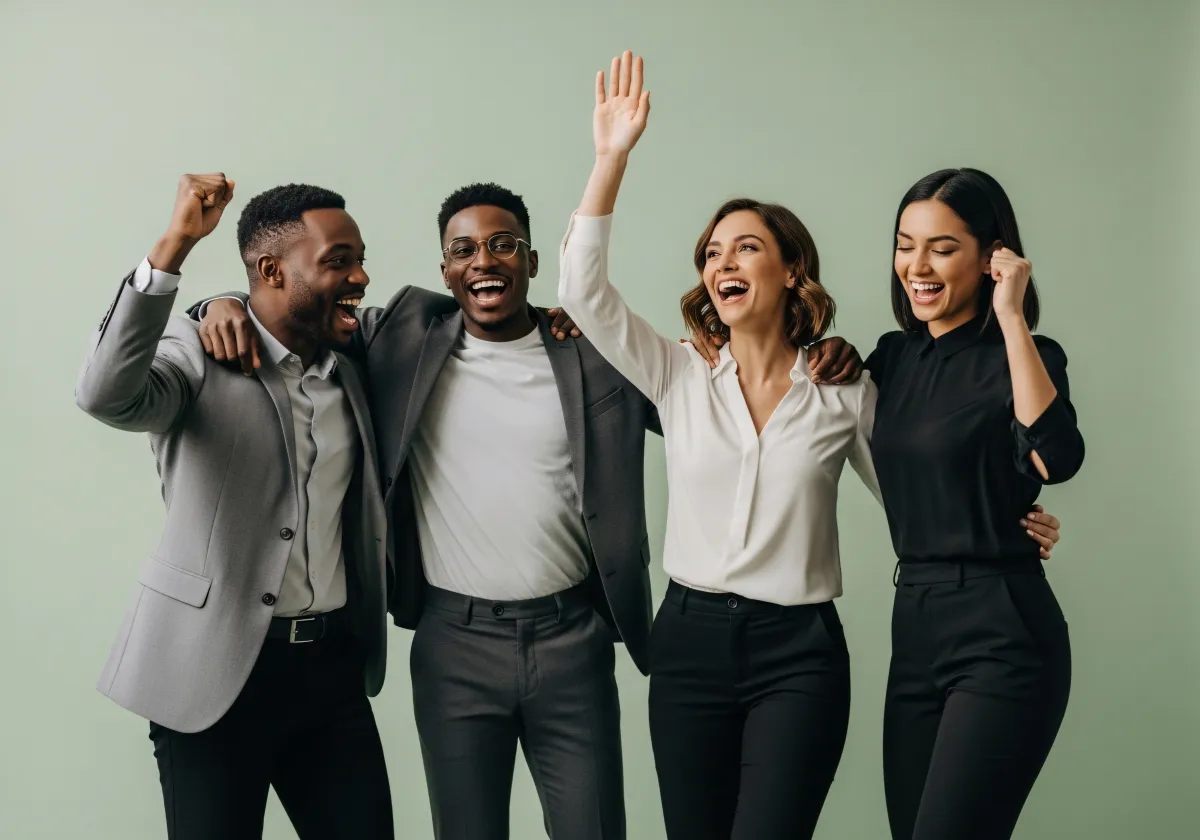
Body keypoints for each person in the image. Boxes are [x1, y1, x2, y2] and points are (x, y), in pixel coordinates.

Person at [190, 182, 858, 838]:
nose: (484, 260)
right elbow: (291, 311)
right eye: (464, 250)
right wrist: (216, 303)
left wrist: (821, 356)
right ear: (446, 270)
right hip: (454, 643)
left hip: (573, 637)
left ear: (534, 263)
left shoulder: (597, 355)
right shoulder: (400, 337)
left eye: (505, 244)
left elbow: (728, 404)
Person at [557, 52, 1064, 840]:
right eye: (713, 253)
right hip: (686, 643)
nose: (724, 262)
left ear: (792, 270)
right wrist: (609, 159)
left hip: (799, 655)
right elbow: (581, 292)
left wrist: (1007, 523)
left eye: (747, 248)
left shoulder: (847, 389)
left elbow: (922, 486)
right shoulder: (677, 373)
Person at [74, 175, 394, 839]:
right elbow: (105, 394)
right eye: (338, 261)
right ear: (273, 271)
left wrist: (556, 321)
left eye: (360, 258)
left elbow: (442, 317)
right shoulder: (196, 353)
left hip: (331, 672)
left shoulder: (352, 358)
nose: (359, 276)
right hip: (211, 674)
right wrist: (177, 248)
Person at [866, 168, 1083, 840]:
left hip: (1002, 629)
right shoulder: (891, 360)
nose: (917, 266)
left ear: (992, 256)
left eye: (942, 247)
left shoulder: (1026, 354)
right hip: (916, 625)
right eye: (906, 244)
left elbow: (1056, 458)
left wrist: (1012, 315)